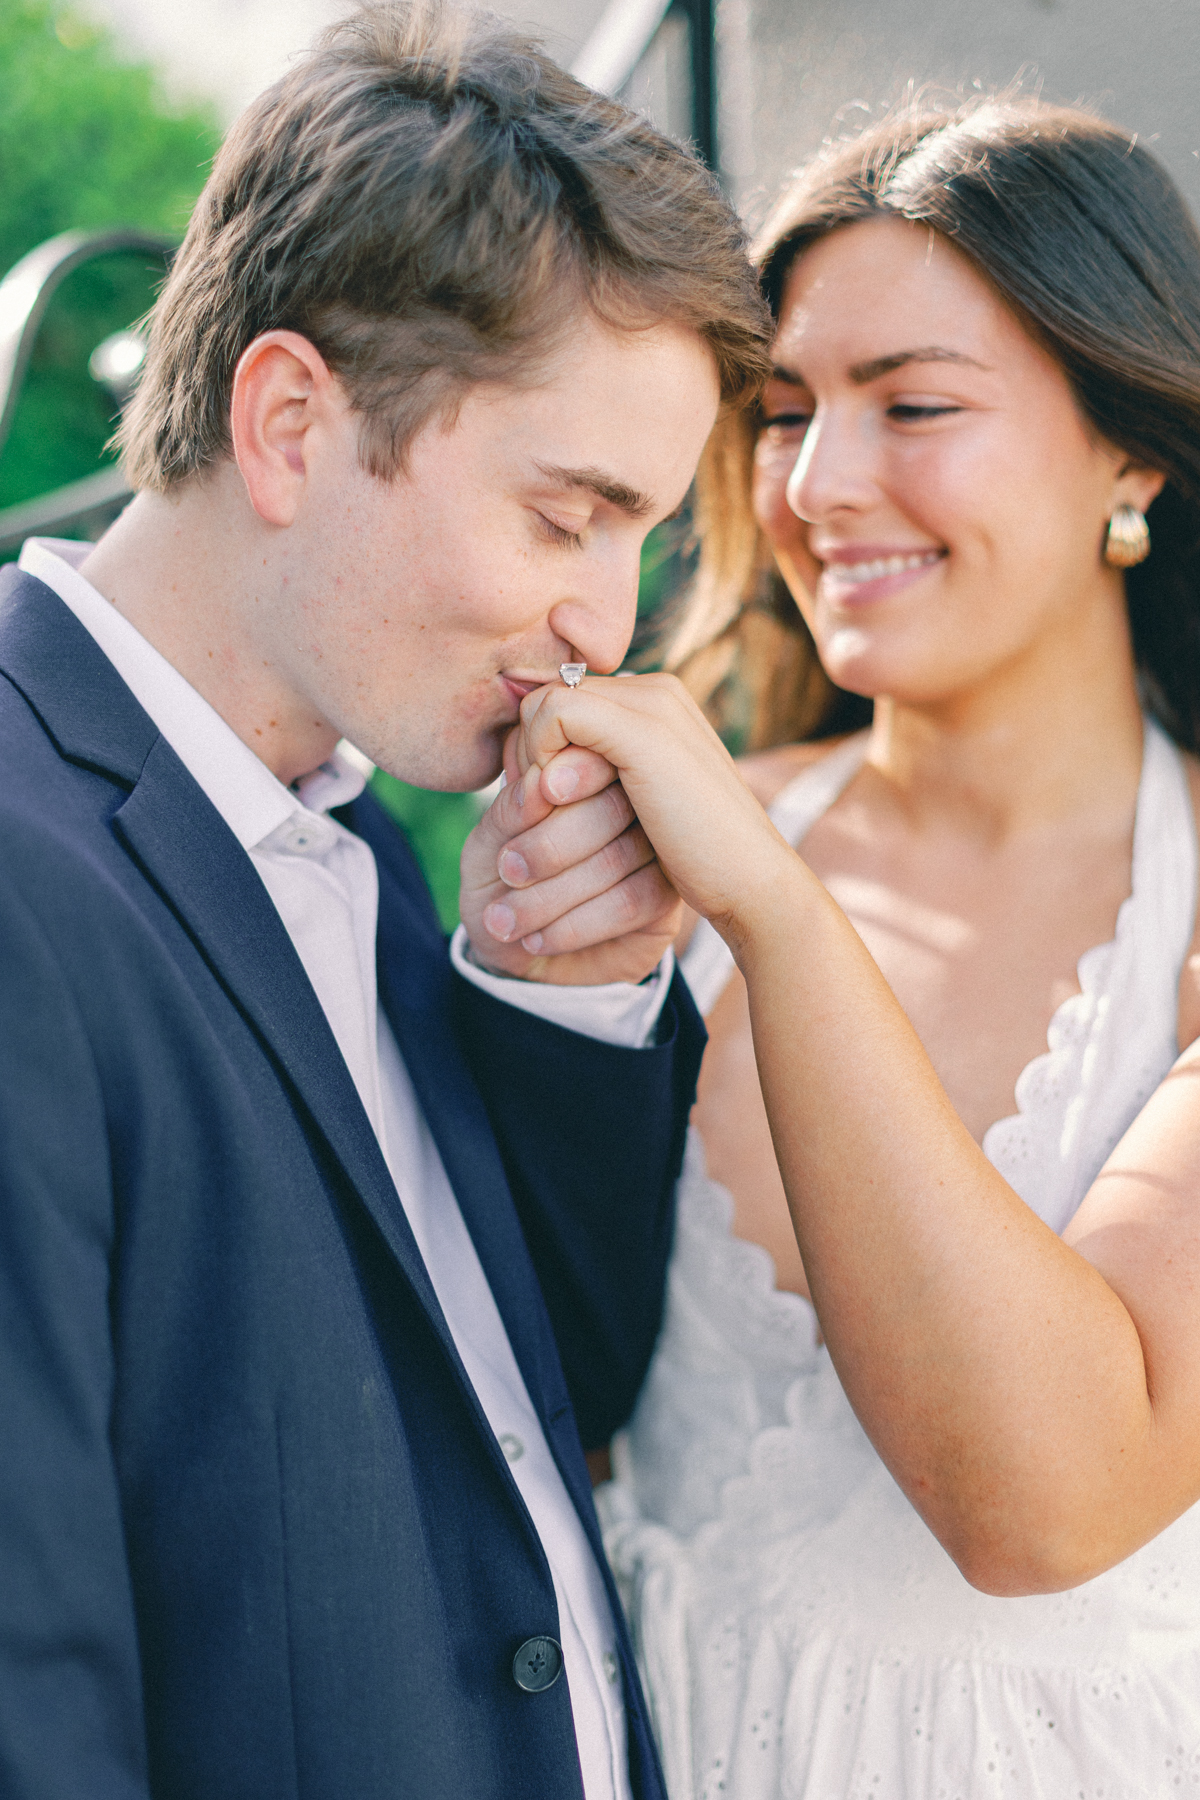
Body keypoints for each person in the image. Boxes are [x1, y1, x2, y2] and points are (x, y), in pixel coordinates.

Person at [0, 6, 773, 1796]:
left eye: (640, 544)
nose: (607, 622)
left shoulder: (359, 849)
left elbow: (525, 1427)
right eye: (568, 515)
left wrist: (564, 997)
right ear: (288, 422)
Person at [479, 99, 1200, 1796]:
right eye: (785, 414)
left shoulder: (742, 881)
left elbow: (1045, 1502)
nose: (815, 486)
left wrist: (778, 920)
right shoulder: (650, 858)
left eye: (916, 406)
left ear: (1132, 451)